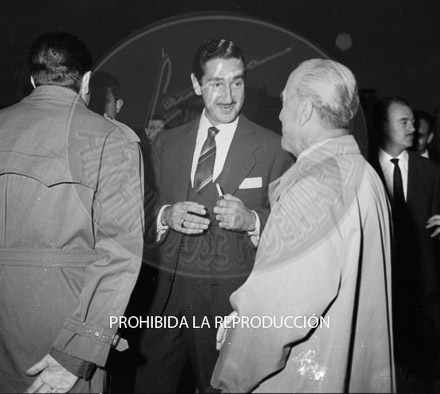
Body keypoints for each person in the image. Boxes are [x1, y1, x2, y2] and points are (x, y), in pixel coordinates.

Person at [211, 59, 395, 393]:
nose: (280, 116)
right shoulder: (364, 173)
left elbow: (277, 313)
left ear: (305, 110)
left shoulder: (315, 185)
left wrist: (229, 373)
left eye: (285, 104)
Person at [136, 38, 291, 393]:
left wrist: (253, 220)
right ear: (195, 84)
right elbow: (142, 210)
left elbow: (290, 227)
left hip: (230, 307)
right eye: (216, 83)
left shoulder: (273, 147)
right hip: (164, 302)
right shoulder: (166, 143)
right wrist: (165, 215)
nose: (228, 96)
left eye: (237, 82)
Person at [0, 32, 144, 393]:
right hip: (65, 329)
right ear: (87, 81)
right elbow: (120, 255)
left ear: (34, 79)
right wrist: (78, 354)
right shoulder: (112, 139)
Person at [371, 96, 440, 387]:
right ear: (383, 126)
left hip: (424, 293)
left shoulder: (431, 172)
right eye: (404, 122)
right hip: (380, 289)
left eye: (413, 122)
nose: (413, 128)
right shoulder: (366, 169)